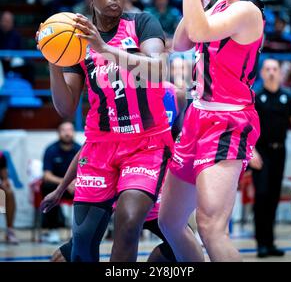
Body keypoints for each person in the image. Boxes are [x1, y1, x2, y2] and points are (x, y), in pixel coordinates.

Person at [158, 0, 291, 262]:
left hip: (227, 119)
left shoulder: (249, 11)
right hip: (198, 114)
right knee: (170, 220)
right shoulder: (224, 4)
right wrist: (198, 1)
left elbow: (198, 31)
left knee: (211, 227)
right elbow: (181, 41)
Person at [38, 0, 173, 262]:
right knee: (83, 243)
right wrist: (53, 57)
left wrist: (104, 48)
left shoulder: (142, 23)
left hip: (146, 144)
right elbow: (65, 106)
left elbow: (159, 69)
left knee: (127, 223)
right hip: (100, 147)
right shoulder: (77, 41)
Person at [41, 82, 186, 262]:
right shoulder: (116, 94)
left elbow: (177, 142)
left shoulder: (176, 96)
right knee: (70, 252)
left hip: (148, 178)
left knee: (181, 247)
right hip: (109, 178)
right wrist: (60, 188)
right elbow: (91, 146)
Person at [249, 58, 291, 258]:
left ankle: (270, 243)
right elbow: (247, 127)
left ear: (280, 73)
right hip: (260, 154)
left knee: (272, 198)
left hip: (280, 152)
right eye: (267, 69)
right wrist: (251, 150)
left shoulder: (287, 97)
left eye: (275, 69)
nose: (271, 72)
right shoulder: (256, 96)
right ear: (262, 73)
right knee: (261, 196)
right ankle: (261, 243)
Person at [41, 120, 81, 244]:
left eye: (70, 130)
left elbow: (86, 171)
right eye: (64, 130)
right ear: (59, 133)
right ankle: (53, 230)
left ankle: (81, 231)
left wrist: (74, 183)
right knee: (47, 186)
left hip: (76, 187)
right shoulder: (51, 150)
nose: (67, 133)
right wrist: (65, 184)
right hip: (58, 187)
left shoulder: (79, 149)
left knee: (92, 186)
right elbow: (47, 175)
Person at [0, 152, 19, 244]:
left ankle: (9, 230)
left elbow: (4, 179)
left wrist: (5, 181)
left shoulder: (1, 156)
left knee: (9, 193)